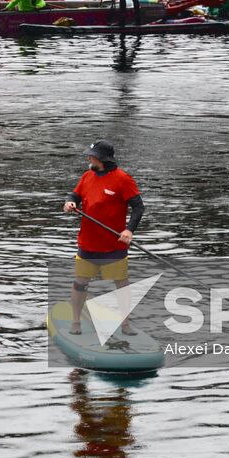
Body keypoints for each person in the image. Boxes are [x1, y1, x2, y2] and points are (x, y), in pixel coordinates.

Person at [62, 141, 144, 336]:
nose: (89, 158)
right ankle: (76, 322)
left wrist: (129, 230)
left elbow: (139, 208)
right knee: (80, 283)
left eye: (92, 155)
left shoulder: (122, 179)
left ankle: (125, 325)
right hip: (88, 243)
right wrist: (70, 202)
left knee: (121, 285)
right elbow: (74, 194)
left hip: (113, 245)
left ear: (103, 159)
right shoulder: (87, 176)